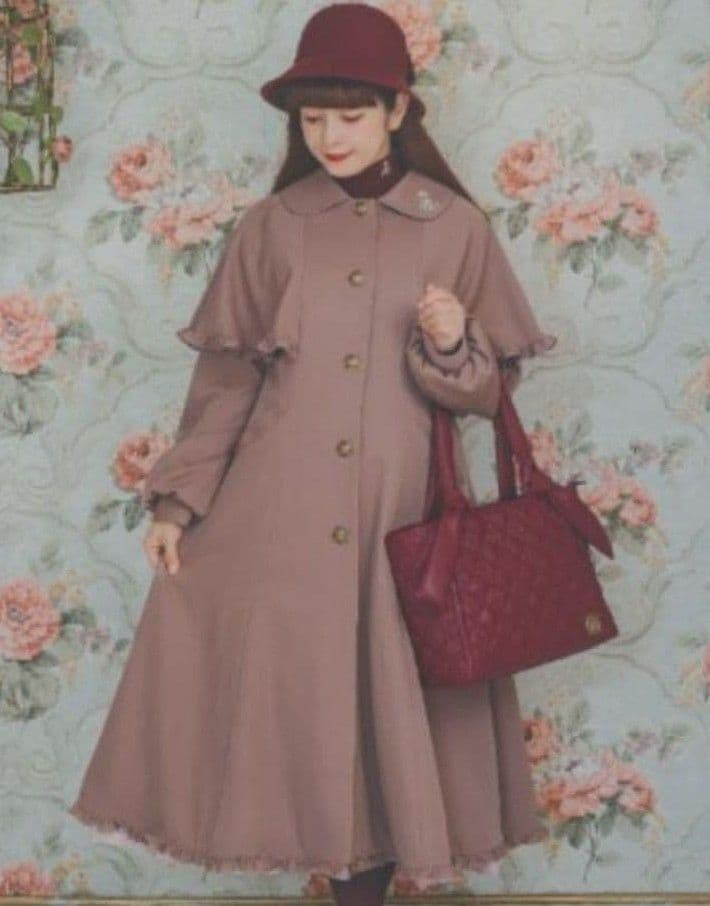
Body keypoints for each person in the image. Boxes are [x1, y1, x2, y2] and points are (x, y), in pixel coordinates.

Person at [69, 4, 558, 903]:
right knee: (301, 714)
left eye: (351, 114)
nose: (330, 137)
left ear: (398, 110)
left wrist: (453, 342)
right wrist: (178, 505)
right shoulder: (273, 226)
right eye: (313, 118)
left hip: (402, 517)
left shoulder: (455, 226)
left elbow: (489, 396)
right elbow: (227, 383)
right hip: (279, 517)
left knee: (392, 718)